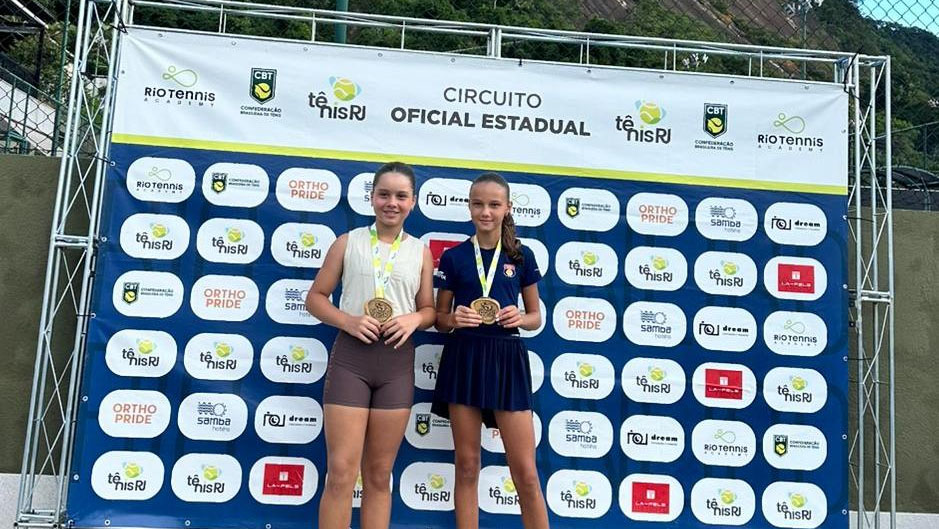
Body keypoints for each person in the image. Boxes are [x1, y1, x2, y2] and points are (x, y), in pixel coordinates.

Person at [306, 161, 435, 529]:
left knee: (379, 475)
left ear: (413, 202)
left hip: (395, 365)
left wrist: (414, 319)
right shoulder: (347, 242)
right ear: (372, 197)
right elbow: (315, 298)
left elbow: (429, 310)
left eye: (401, 196)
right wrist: (347, 320)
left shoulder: (421, 252)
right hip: (352, 361)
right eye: (384, 194)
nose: (392, 203)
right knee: (341, 473)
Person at [432, 172, 549, 529]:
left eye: (494, 205)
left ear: (507, 207)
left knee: (525, 472)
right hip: (464, 356)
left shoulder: (521, 255)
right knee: (467, 465)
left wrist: (520, 317)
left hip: (506, 358)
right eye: (478, 204)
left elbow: (536, 317)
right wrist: (454, 318)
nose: (486, 212)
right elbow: (439, 319)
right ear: (469, 207)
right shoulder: (453, 257)